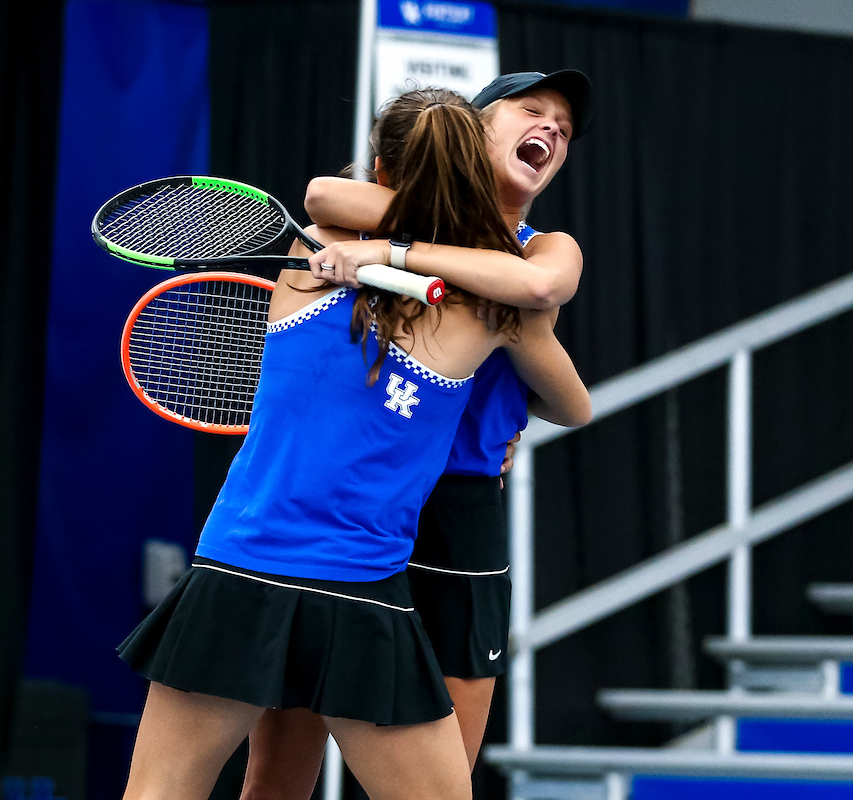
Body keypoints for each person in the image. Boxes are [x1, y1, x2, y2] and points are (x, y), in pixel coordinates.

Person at [116, 87, 591, 800]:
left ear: (380, 167)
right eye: (533, 115)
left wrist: (386, 248)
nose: (550, 130)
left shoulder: (304, 261)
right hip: (358, 591)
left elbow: (328, 201)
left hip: (237, 571)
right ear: (474, 170)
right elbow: (572, 402)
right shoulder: (496, 310)